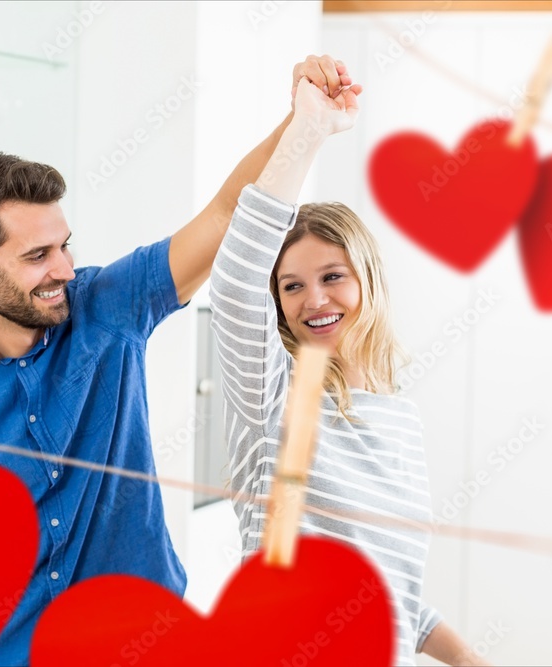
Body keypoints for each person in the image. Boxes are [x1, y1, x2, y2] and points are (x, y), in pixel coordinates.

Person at [0, 56, 356, 667]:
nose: (64, 269)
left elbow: (229, 214)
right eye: (38, 255)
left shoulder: (105, 307)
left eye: (65, 245)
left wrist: (304, 123)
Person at [209, 77, 490, 665]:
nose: (314, 300)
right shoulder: (275, 398)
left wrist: (468, 658)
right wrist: (305, 133)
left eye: (332, 276)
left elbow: (395, 589)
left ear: (368, 278)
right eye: (292, 286)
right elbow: (235, 284)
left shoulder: (400, 420)